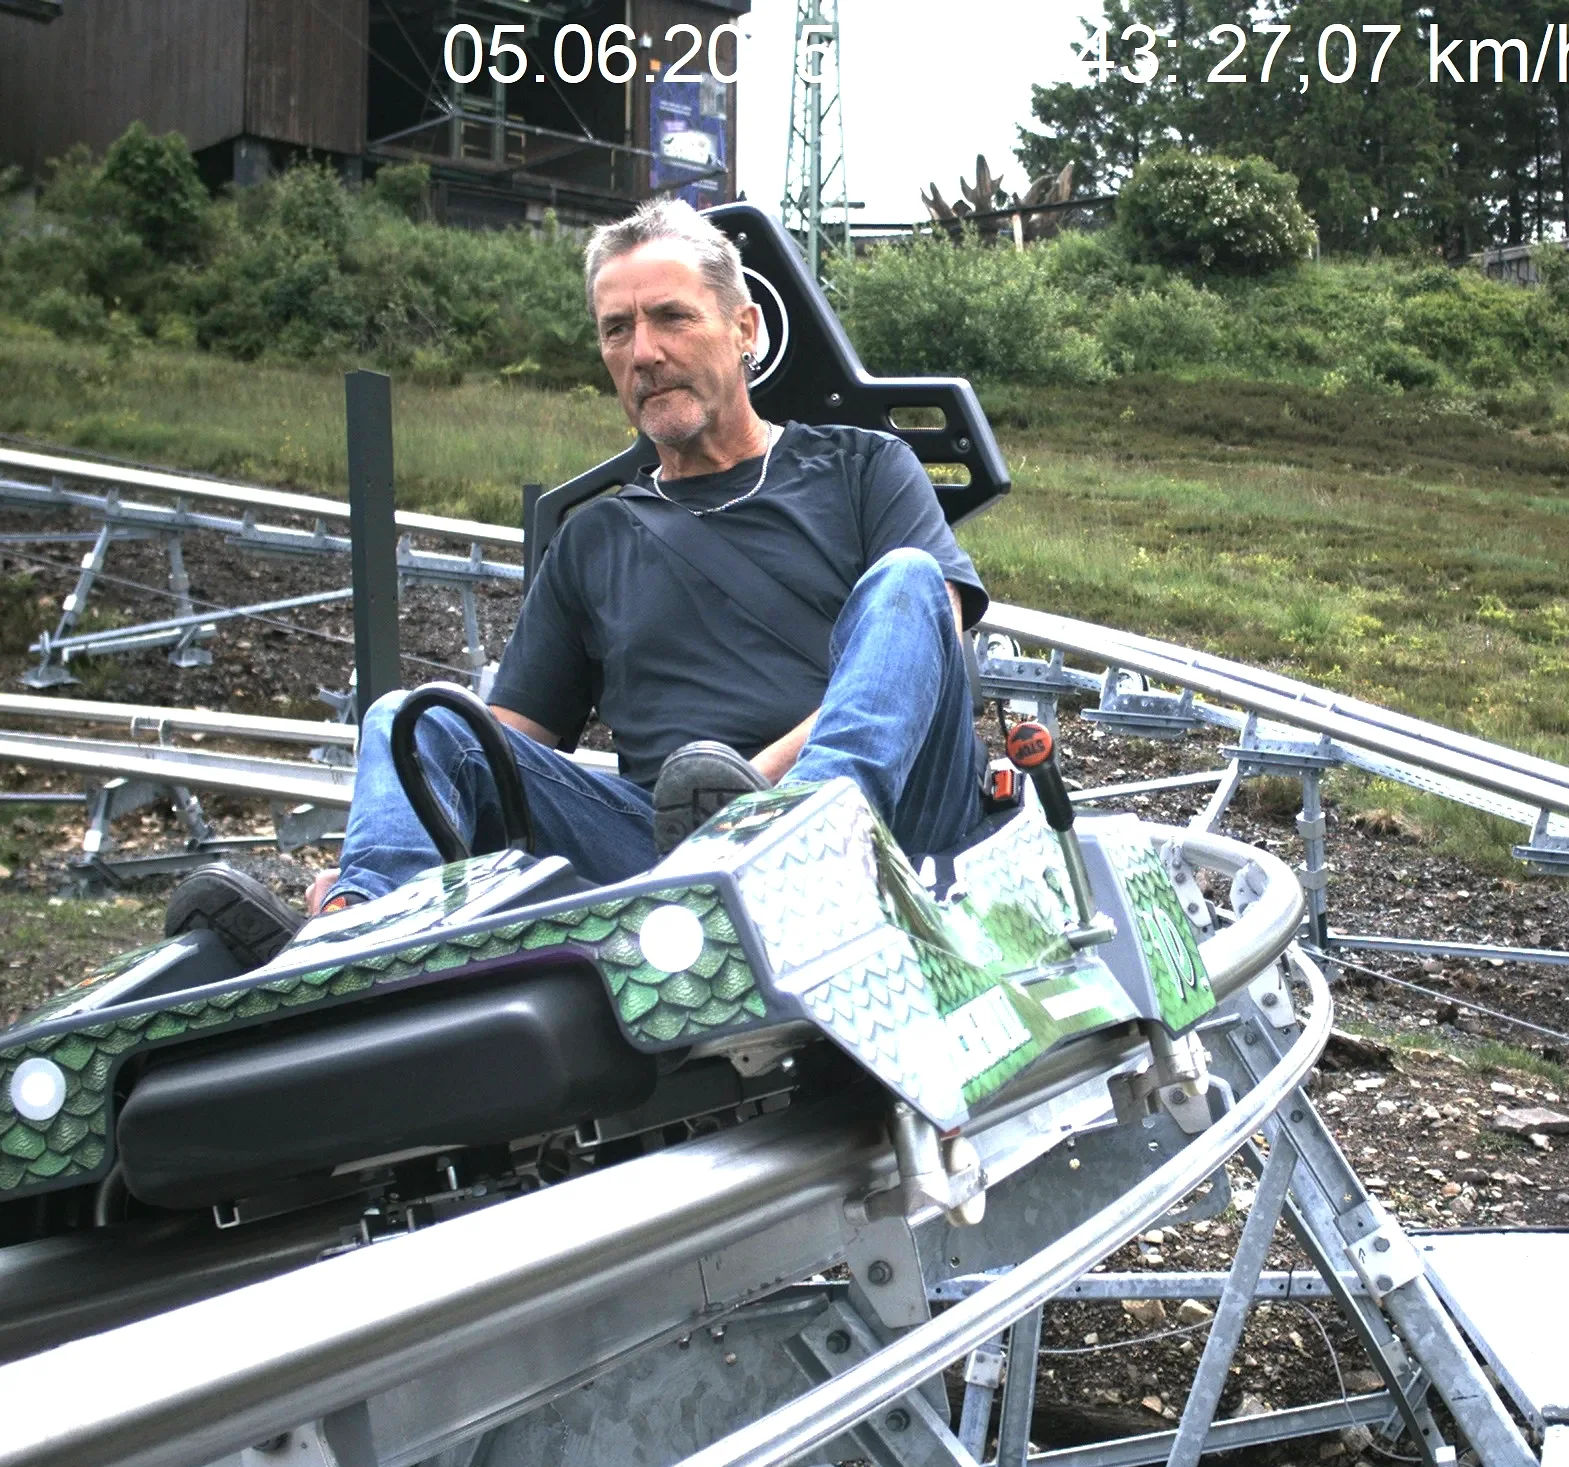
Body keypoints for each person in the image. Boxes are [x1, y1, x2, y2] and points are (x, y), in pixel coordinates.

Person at [164, 198, 992, 968]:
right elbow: (494, 746)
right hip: (674, 844)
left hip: (886, 819)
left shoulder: (862, 467)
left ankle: (807, 831)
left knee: (912, 580)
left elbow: (934, 629)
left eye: (671, 317)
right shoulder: (593, 536)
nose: (644, 353)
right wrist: (403, 823)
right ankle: (357, 930)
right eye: (617, 330)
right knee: (415, 721)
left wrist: (761, 797)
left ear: (744, 329)